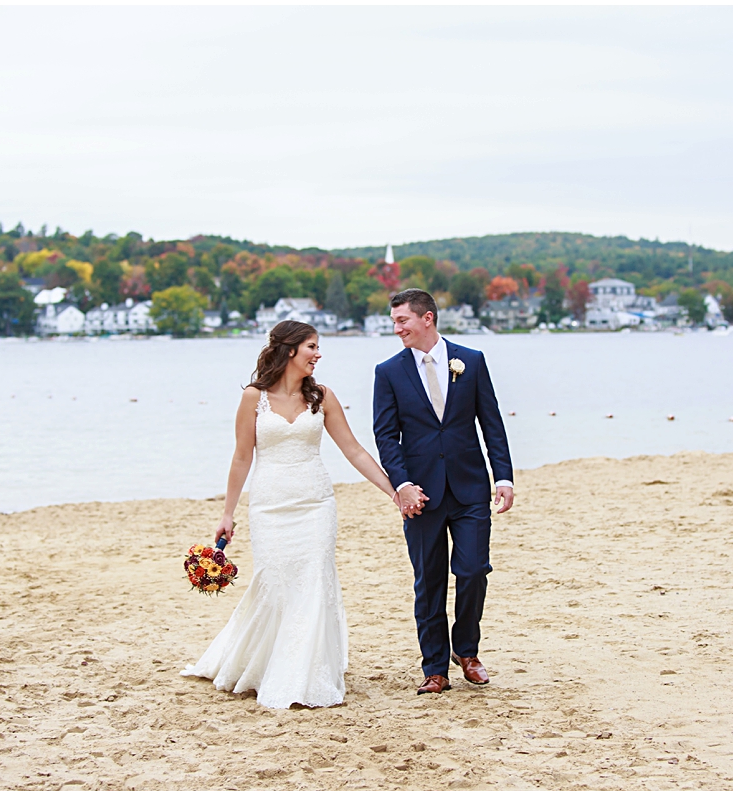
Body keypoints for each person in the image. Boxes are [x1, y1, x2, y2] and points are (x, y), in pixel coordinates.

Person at [181, 320, 406, 709]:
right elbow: (241, 457)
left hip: (316, 504)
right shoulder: (254, 398)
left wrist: (394, 492)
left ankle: (306, 672)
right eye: (312, 347)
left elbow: (353, 450)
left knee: (315, 580)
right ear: (289, 350)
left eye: (318, 348)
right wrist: (228, 513)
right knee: (276, 583)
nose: (318, 354)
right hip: (270, 506)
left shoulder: (322, 396)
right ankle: (266, 661)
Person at [372, 289, 514, 695]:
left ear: (427, 318)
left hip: (470, 488)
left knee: (473, 571)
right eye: (394, 321)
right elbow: (386, 436)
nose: (396, 328)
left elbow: (492, 423)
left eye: (403, 320)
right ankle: (435, 667)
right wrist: (401, 485)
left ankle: (466, 650)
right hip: (420, 495)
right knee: (429, 580)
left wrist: (503, 477)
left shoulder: (471, 361)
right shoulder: (388, 372)